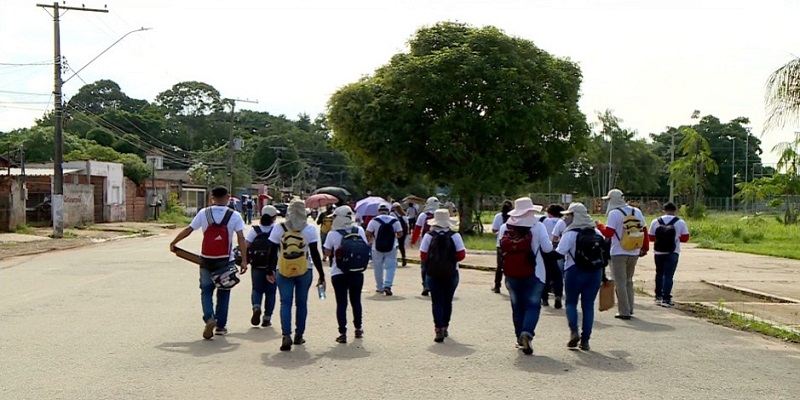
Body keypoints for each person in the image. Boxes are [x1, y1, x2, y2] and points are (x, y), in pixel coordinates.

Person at [169, 186, 247, 339]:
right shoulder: (235, 215)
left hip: (206, 260)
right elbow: (241, 238)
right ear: (228, 197)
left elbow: (189, 229)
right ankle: (220, 327)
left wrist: (174, 242)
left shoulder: (204, 213)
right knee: (224, 293)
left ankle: (209, 318)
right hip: (225, 260)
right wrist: (244, 260)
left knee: (206, 291)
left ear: (212, 198)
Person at [266, 200, 326, 351]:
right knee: (302, 303)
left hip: (283, 269)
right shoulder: (309, 229)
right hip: (305, 270)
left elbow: (272, 251)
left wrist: (269, 269)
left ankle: (286, 335)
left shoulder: (279, 228)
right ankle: (299, 335)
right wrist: (321, 274)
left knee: (285, 303)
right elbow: (314, 253)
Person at [496, 197, 551, 355]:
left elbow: (501, 248)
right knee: (533, 305)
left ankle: (519, 337)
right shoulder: (538, 226)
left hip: (512, 273)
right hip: (535, 272)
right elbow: (547, 249)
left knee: (517, 306)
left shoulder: (505, 226)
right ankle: (527, 333)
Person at [556, 202, 607, 351]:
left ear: (574, 216)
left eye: (569, 215)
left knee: (571, 303)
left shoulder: (570, 233)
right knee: (588, 305)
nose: (567, 219)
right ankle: (585, 340)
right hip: (594, 272)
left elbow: (560, 252)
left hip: (574, 270)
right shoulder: (597, 233)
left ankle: (574, 331)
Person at [596, 189, 649, 320]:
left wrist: (599, 226)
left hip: (618, 251)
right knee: (629, 281)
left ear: (612, 200)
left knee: (620, 282)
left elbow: (608, 233)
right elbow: (644, 230)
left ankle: (624, 311)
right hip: (634, 250)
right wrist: (644, 248)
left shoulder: (614, 213)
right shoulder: (636, 211)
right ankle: (630, 308)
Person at [323, 206, 368, 343]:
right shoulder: (359, 230)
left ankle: (342, 332)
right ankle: (358, 328)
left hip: (339, 272)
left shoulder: (333, 234)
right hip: (357, 272)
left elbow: (327, 253)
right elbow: (365, 247)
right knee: (356, 301)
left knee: (341, 303)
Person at [420, 209, 466, 343]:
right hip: (451, 273)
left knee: (437, 302)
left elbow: (423, 255)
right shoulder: (455, 236)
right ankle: (445, 327)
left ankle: (438, 328)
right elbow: (461, 255)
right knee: (447, 301)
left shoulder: (429, 236)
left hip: (433, 274)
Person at [648, 202, 690, 308]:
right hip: (673, 251)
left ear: (664, 210)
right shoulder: (680, 222)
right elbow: (685, 238)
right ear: (675, 210)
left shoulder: (655, 221)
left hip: (658, 252)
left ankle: (658, 296)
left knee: (659, 273)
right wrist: (675, 238)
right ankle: (666, 298)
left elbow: (651, 237)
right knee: (669, 275)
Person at [246, 205, 278, 327]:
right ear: (274, 217)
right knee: (271, 292)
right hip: (272, 266)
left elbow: (247, 244)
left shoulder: (255, 230)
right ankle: (267, 318)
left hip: (257, 265)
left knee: (256, 289)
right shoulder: (276, 229)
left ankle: (256, 307)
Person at [366, 203, 404, 295]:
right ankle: (388, 285)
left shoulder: (374, 221)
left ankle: (379, 287)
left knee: (378, 267)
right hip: (391, 247)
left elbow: (368, 233)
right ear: (389, 211)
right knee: (391, 267)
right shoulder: (395, 221)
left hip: (376, 247)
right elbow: (400, 234)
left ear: (378, 211)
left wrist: (370, 240)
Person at [411, 196, 440, 296]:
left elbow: (417, 229)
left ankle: (426, 285)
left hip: (426, 242)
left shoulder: (423, 215)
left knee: (425, 264)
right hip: (439, 243)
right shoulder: (441, 215)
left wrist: (413, 241)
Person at [540, 204, 565, 308]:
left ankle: (544, 298)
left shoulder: (543, 220)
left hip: (545, 249)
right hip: (559, 249)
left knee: (545, 274)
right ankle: (558, 294)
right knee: (558, 273)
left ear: (549, 213)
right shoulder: (562, 222)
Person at [491, 200, 513, 294]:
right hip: (511, 244)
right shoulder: (513, 217)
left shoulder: (498, 216)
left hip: (500, 244)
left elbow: (493, 230)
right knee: (511, 265)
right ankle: (510, 285)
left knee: (499, 266)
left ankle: (497, 285)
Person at [391, 202, 410, 267]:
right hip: (403, 231)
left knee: (395, 245)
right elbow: (407, 224)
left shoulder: (392, 214)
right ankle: (404, 258)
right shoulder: (404, 214)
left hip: (396, 231)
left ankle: (394, 260)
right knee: (401, 246)